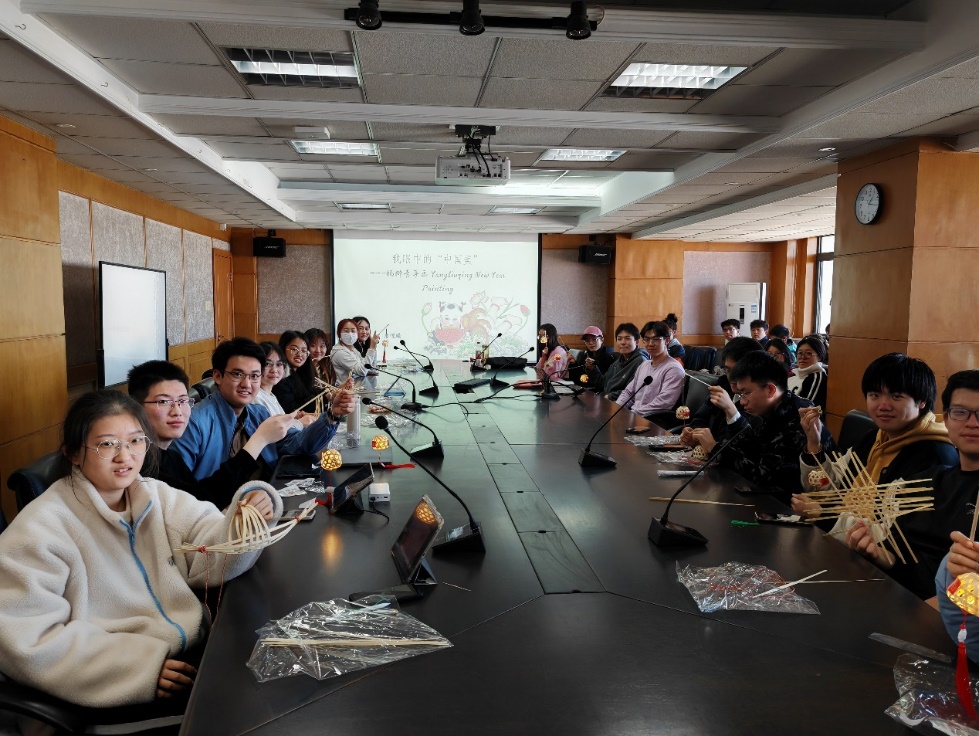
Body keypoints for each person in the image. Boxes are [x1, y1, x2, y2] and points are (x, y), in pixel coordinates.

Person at [0, 389, 281, 708]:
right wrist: (134, 666)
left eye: (135, 441)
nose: (125, 456)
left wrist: (250, 512)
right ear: (74, 453)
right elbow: (23, 635)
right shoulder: (43, 526)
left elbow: (210, 541)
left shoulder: (153, 495)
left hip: (194, 651)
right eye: (107, 444)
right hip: (120, 684)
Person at [794, 355, 956, 599]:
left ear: (922, 401)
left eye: (896, 396)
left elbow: (892, 535)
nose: (883, 405)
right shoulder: (876, 438)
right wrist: (814, 444)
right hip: (849, 561)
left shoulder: (935, 456)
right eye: (874, 395)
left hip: (893, 586)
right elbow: (832, 486)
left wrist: (824, 516)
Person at [172, 338, 354, 482]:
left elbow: (298, 444)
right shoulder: (193, 423)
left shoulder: (257, 413)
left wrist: (332, 415)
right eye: (238, 374)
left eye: (254, 376)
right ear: (217, 376)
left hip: (265, 498)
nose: (247, 384)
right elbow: (182, 493)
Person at [128, 360, 295, 509]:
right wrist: (259, 440)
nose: (177, 411)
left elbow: (199, 497)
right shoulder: (138, 464)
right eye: (164, 402)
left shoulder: (170, 456)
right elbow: (202, 503)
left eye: (183, 401)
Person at [708, 351, 833, 504]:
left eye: (746, 393)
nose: (742, 402)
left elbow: (765, 478)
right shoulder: (771, 410)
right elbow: (752, 451)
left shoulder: (798, 420)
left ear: (770, 390)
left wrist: (716, 449)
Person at [934, 371, 979, 656]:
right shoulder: (933, 479)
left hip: (950, 630)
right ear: (946, 418)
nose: (973, 423)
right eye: (961, 412)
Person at [679, 336, 765, 452]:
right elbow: (700, 419)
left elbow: (747, 448)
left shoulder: (759, 399)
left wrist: (729, 408)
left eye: (739, 371)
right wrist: (694, 434)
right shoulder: (723, 385)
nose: (732, 378)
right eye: (728, 370)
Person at [617, 321, 685, 424]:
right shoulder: (644, 365)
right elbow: (629, 392)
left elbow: (663, 403)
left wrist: (631, 415)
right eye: (647, 339)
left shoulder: (673, 369)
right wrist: (617, 410)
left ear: (667, 340)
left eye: (655, 339)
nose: (650, 344)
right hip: (634, 417)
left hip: (653, 422)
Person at [254, 342, 312, 429]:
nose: (274, 370)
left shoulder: (270, 395)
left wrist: (291, 418)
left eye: (279, 364)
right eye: (267, 364)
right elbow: (272, 431)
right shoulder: (256, 397)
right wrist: (299, 423)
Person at [273, 330, 319, 413]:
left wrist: (329, 394)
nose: (299, 354)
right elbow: (290, 410)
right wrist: (319, 399)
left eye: (304, 351)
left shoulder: (300, 373)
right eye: (294, 349)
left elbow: (310, 391)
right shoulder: (281, 377)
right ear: (283, 349)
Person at [601, 323, 646, 401]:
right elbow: (603, 381)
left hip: (623, 404)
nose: (623, 342)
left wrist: (610, 396)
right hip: (607, 399)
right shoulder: (618, 361)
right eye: (619, 339)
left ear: (637, 341)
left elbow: (634, 391)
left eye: (627, 338)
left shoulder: (640, 361)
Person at [787, 335, 828, 413]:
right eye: (800, 353)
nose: (803, 357)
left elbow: (807, 408)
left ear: (819, 357)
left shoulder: (817, 378)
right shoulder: (794, 374)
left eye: (808, 353)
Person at [331, 317, 378, 382]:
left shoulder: (352, 349)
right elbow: (362, 371)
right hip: (347, 388)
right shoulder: (340, 352)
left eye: (353, 331)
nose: (350, 334)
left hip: (358, 385)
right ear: (339, 333)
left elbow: (370, 368)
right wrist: (372, 348)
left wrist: (373, 347)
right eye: (346, 331)